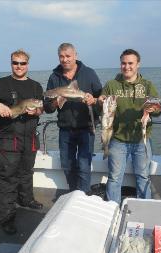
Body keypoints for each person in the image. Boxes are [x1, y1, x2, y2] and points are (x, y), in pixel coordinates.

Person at [0, 49, 44, 234]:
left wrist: (36, 111)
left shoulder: (36, 86)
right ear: (11, 64)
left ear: (28, 65)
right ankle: (6, 216)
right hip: (7, 139)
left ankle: (26, 199)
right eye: (15, 63)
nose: (19, 66)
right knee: (8, 178)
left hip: (30, 138)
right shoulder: (0, 83)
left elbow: (41, 109)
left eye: (22, 63)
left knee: (26, 172)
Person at [98, 49, 161, 204]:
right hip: (117, 139)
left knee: (143, 176)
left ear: (138, 65)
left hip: (142, 140)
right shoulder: (111, 85)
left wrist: (154, 109)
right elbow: (100, 107)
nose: (127, 67)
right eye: (123, 63)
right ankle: (113, 208)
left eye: (130, 63)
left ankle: (144, 208)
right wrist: (100, 101)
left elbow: (159, 109)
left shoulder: (147, 85)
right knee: (114, 177)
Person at [44, 43, 102, 193]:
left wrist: (93, 100)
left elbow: (101, 98)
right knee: (67, 164)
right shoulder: (54, 77)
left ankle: (83, 195)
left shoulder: (89, 73)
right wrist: (58, 100)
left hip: (86, 127)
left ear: (75, 55)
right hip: (65, 129)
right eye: (62, 57)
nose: (65, 60)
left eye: (68, 56)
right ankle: (73, 192)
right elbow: (48, 107)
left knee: (84, 165)